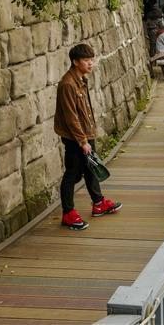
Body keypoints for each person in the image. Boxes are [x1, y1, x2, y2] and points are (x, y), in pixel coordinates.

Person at [54, 43, 122, 230]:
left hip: (86, 133)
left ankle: (98, 203)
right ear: (76, 62)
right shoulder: (67, 84)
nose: (91, 63)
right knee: (72, 175)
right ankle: (68, 214)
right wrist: (83, 141)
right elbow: (71, 117)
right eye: (86, 60)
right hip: (75, 137)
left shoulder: (80, 79)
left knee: (92, 168)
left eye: (92, 59)